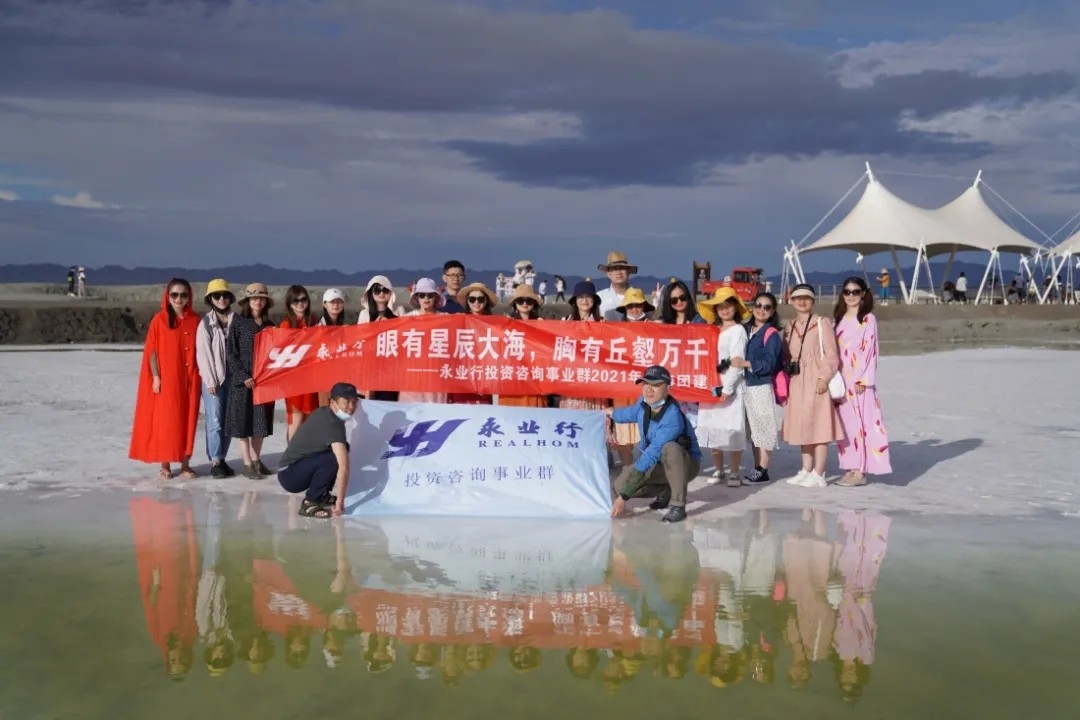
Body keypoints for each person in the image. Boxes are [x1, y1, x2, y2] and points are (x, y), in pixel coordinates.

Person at [606, 365, 702, 524]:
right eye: (646, 384)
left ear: (667, 389)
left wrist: (624, 497)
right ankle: (666, 489)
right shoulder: (644, 403)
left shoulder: (672, 418)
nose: (649, 389)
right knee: (619, 486)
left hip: (686, 464)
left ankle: (678, 505)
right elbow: (632, 413)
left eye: (656, 385)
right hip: (660, 463)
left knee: (670, 448)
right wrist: (612, 414)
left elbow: (651, 455)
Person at [129, 279, 203, 479]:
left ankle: (185, 464)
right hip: (169, 378)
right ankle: (166, 465)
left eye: (183, 295)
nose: (179, 299)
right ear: (168, 296)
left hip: (191, 378)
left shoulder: (195, 319)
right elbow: (152, 351)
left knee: (189, 419)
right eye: (174, 295)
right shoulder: (159, 320)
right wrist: (156, 376)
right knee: (168, 420)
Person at [781, 284, 844, 487]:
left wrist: (823, 378)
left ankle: (819, 472)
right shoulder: (789, 326)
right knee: (802, 425)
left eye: (806, 298)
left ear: (813, 301)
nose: (801, 301)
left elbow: (831, 354)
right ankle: (806, 469)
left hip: (816, 378)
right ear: (791, 301)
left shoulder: (821, 322)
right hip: (796, 380)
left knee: (819, 425)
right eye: (797, 298)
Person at [833, 277, 891, 486]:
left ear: (863, 294)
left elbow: (870, 350)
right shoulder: (838, 318)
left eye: (855, 292)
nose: (851, 296)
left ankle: (860, 471)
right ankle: (850, 466)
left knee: (861, 424)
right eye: (847, 292)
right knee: (845, 426)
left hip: (858, 381)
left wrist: (863, 380)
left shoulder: (867, 319)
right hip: (841, 380)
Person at [277, 382, 359, 518]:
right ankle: (310, 502)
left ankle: (322, 495)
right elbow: (343, 465)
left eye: (354, 402)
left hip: (295, 468)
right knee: (334, 458)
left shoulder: (327, 413)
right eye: (346, 401)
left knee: (343, 448)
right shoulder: (332, 423)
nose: (351, 407)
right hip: (290, 475)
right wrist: (340, 501)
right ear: (333, 402)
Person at [195, 278, 237, 478]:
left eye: (225, 295)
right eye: (217, 296)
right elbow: (203, 355)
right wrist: (210, 381)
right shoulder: (206, 324)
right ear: (210, 299)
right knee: (215, 420)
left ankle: (222, 458)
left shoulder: (237, 321)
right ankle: (215, 461)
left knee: (229, 422)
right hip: (214, 379)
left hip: (233, 379)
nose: (221, 299)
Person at [597, 252, 637, 320]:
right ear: (608, 274)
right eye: (614, 268)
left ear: (628, 272)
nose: (619, 272)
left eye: (622, 268)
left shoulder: (638, 296)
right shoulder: (599, 297)